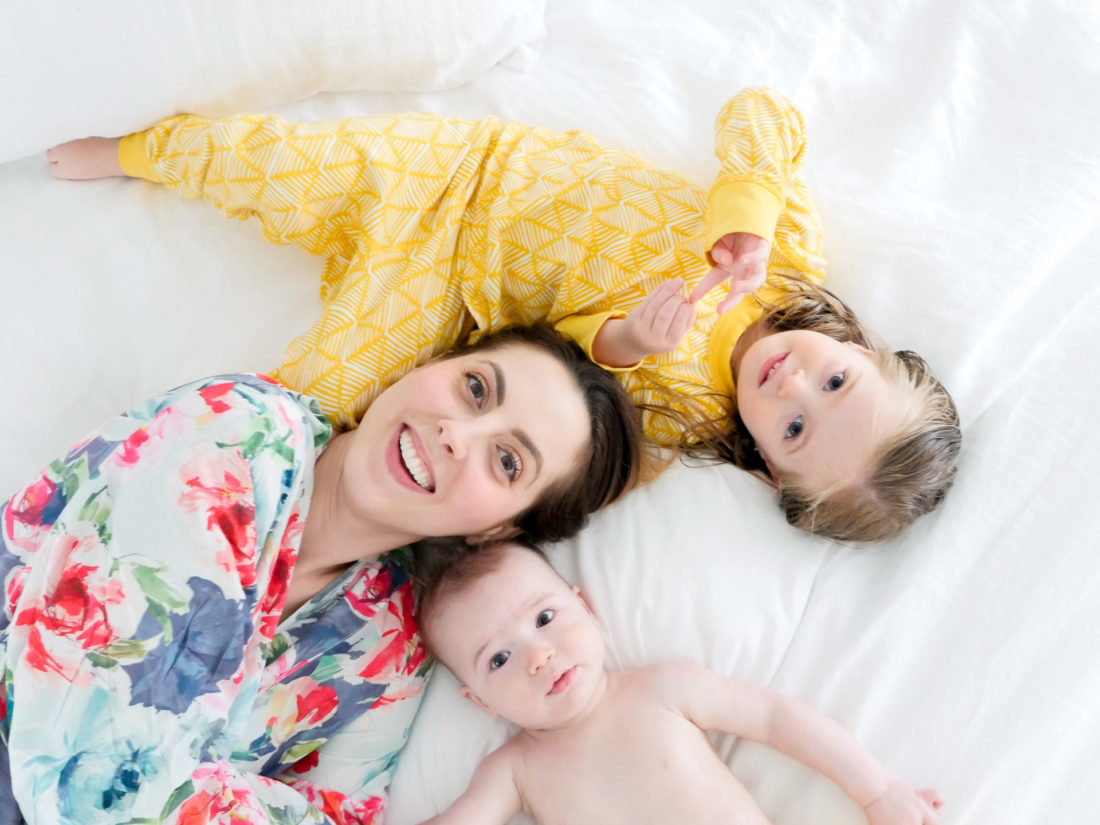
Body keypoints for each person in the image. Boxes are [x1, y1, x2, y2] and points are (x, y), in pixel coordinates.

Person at [46, 87, 960, 541]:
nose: (792, 382)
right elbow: (762, 113)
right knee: (282, 163)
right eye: (835, 378)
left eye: (796, 426)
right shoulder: (788, 249)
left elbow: (562, 390)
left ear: (766, 462)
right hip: (469, 173)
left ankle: (176, 486)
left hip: (452, 299)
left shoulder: (692, 414)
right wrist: (747, 210)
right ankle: (141, 151)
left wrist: (626, 344)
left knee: (313, 401)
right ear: (862, 346)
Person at [0, 324, 643, 825]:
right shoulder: (239, 431)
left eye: (506, 460)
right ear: (429, 366)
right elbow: (87, 776)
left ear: (498, 528)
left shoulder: (391, 641)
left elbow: (341, 813)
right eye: (474, 389)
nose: (456, 435)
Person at [415, 539, 945, 825]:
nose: (539, 655)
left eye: (545, 619)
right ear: (479, 702)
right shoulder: (513, 770)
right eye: (499, 659)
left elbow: (775, 718)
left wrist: (877, 790)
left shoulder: (661, 689)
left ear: (586, 605)